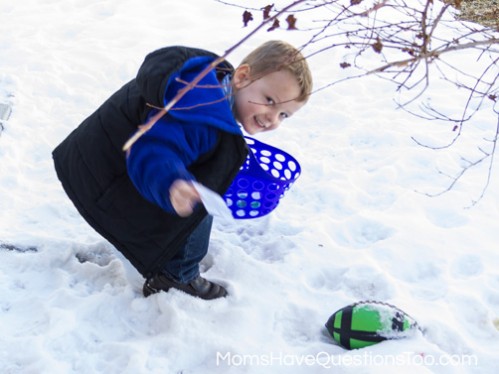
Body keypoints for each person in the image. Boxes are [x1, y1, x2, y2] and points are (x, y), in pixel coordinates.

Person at [52, 40, 312, 300]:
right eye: (269, 101)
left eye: (283, 115)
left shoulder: (208, 84)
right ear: (243, 77)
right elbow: (154, 151)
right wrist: (173, 183)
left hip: (99, 158)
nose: (272, 119)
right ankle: (176, 276)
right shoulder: (198, 117)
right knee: (197, 206)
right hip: (110, 177)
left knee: (202, 183)